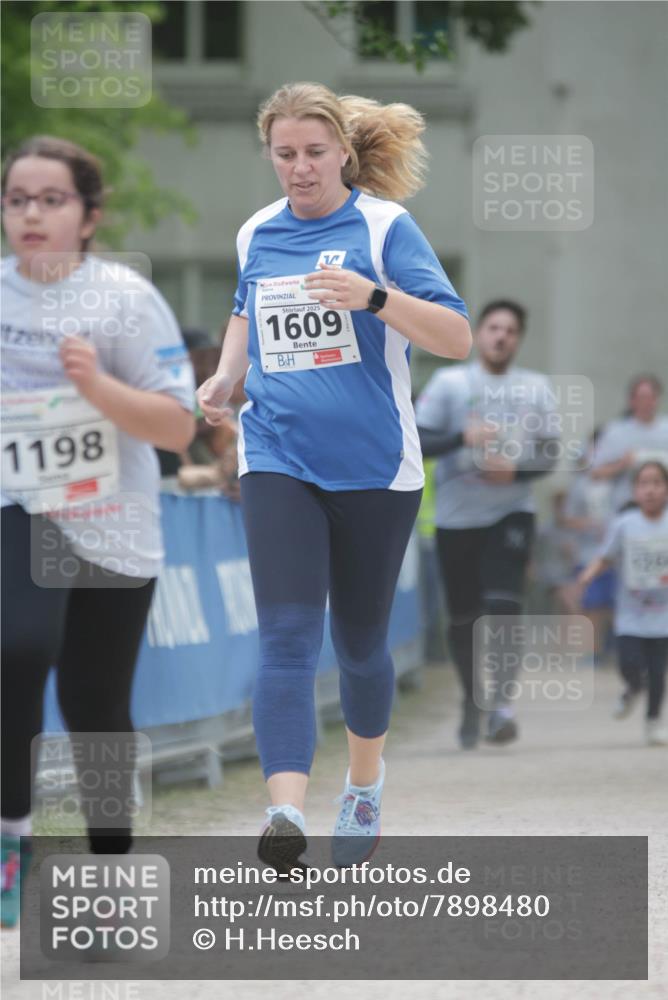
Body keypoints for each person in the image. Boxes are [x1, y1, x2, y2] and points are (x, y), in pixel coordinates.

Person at [197, 81, 471, 869]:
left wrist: (374, 296)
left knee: (357, 645)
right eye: (284, 154)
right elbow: (248, 311)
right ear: (270, 155)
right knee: (286, 638)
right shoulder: (257, 232)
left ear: (344, 153)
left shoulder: (385, 228)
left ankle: (363, 785)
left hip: (376, 469)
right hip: (277, 455)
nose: (300, 168)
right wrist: (225, 378)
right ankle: (284, 813)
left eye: (315, 152)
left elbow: (453, 334)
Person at [0, 136, 195, 927]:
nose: (32, 214)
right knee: (15, 648)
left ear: (89, 215)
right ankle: (13, 840)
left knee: (95, 700)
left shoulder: (123, 298)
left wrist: (96, 384)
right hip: (19, 506)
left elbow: (179, 427)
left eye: (52, 200)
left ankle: (112, 864)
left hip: (113, 523)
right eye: (17, 200)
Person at [415, 300, 560, 749]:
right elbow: (417, 439)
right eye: (494, 328)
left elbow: (552, 452)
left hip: (511, 511)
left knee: (503, 608)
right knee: (463, 619)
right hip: (458, 518)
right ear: (479, 334)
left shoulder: (536, 388)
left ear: (519, 339)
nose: (501, 337)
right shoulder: (449, 382)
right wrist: (463, 437)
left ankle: (500, 706)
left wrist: (515, 473)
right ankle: (471, 701)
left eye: (511, 331)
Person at [577, 461, 668, 745]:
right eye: (644, 484)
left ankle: (653, 723)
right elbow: (606, 556)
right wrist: (587, 576)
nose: (650, 490)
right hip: (631, 614)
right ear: (634, 491)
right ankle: (632, 687)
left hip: (663, 615)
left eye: (657, 483)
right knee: (629, 663)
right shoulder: (625, 525)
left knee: (657, 672)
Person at [591, 375, 668, 514]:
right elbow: (595, 472)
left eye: (651, 397)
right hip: (626, 508)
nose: (647, 402)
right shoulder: (615, 432)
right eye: (642, 397)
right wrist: (621, 464)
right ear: (632, 400)